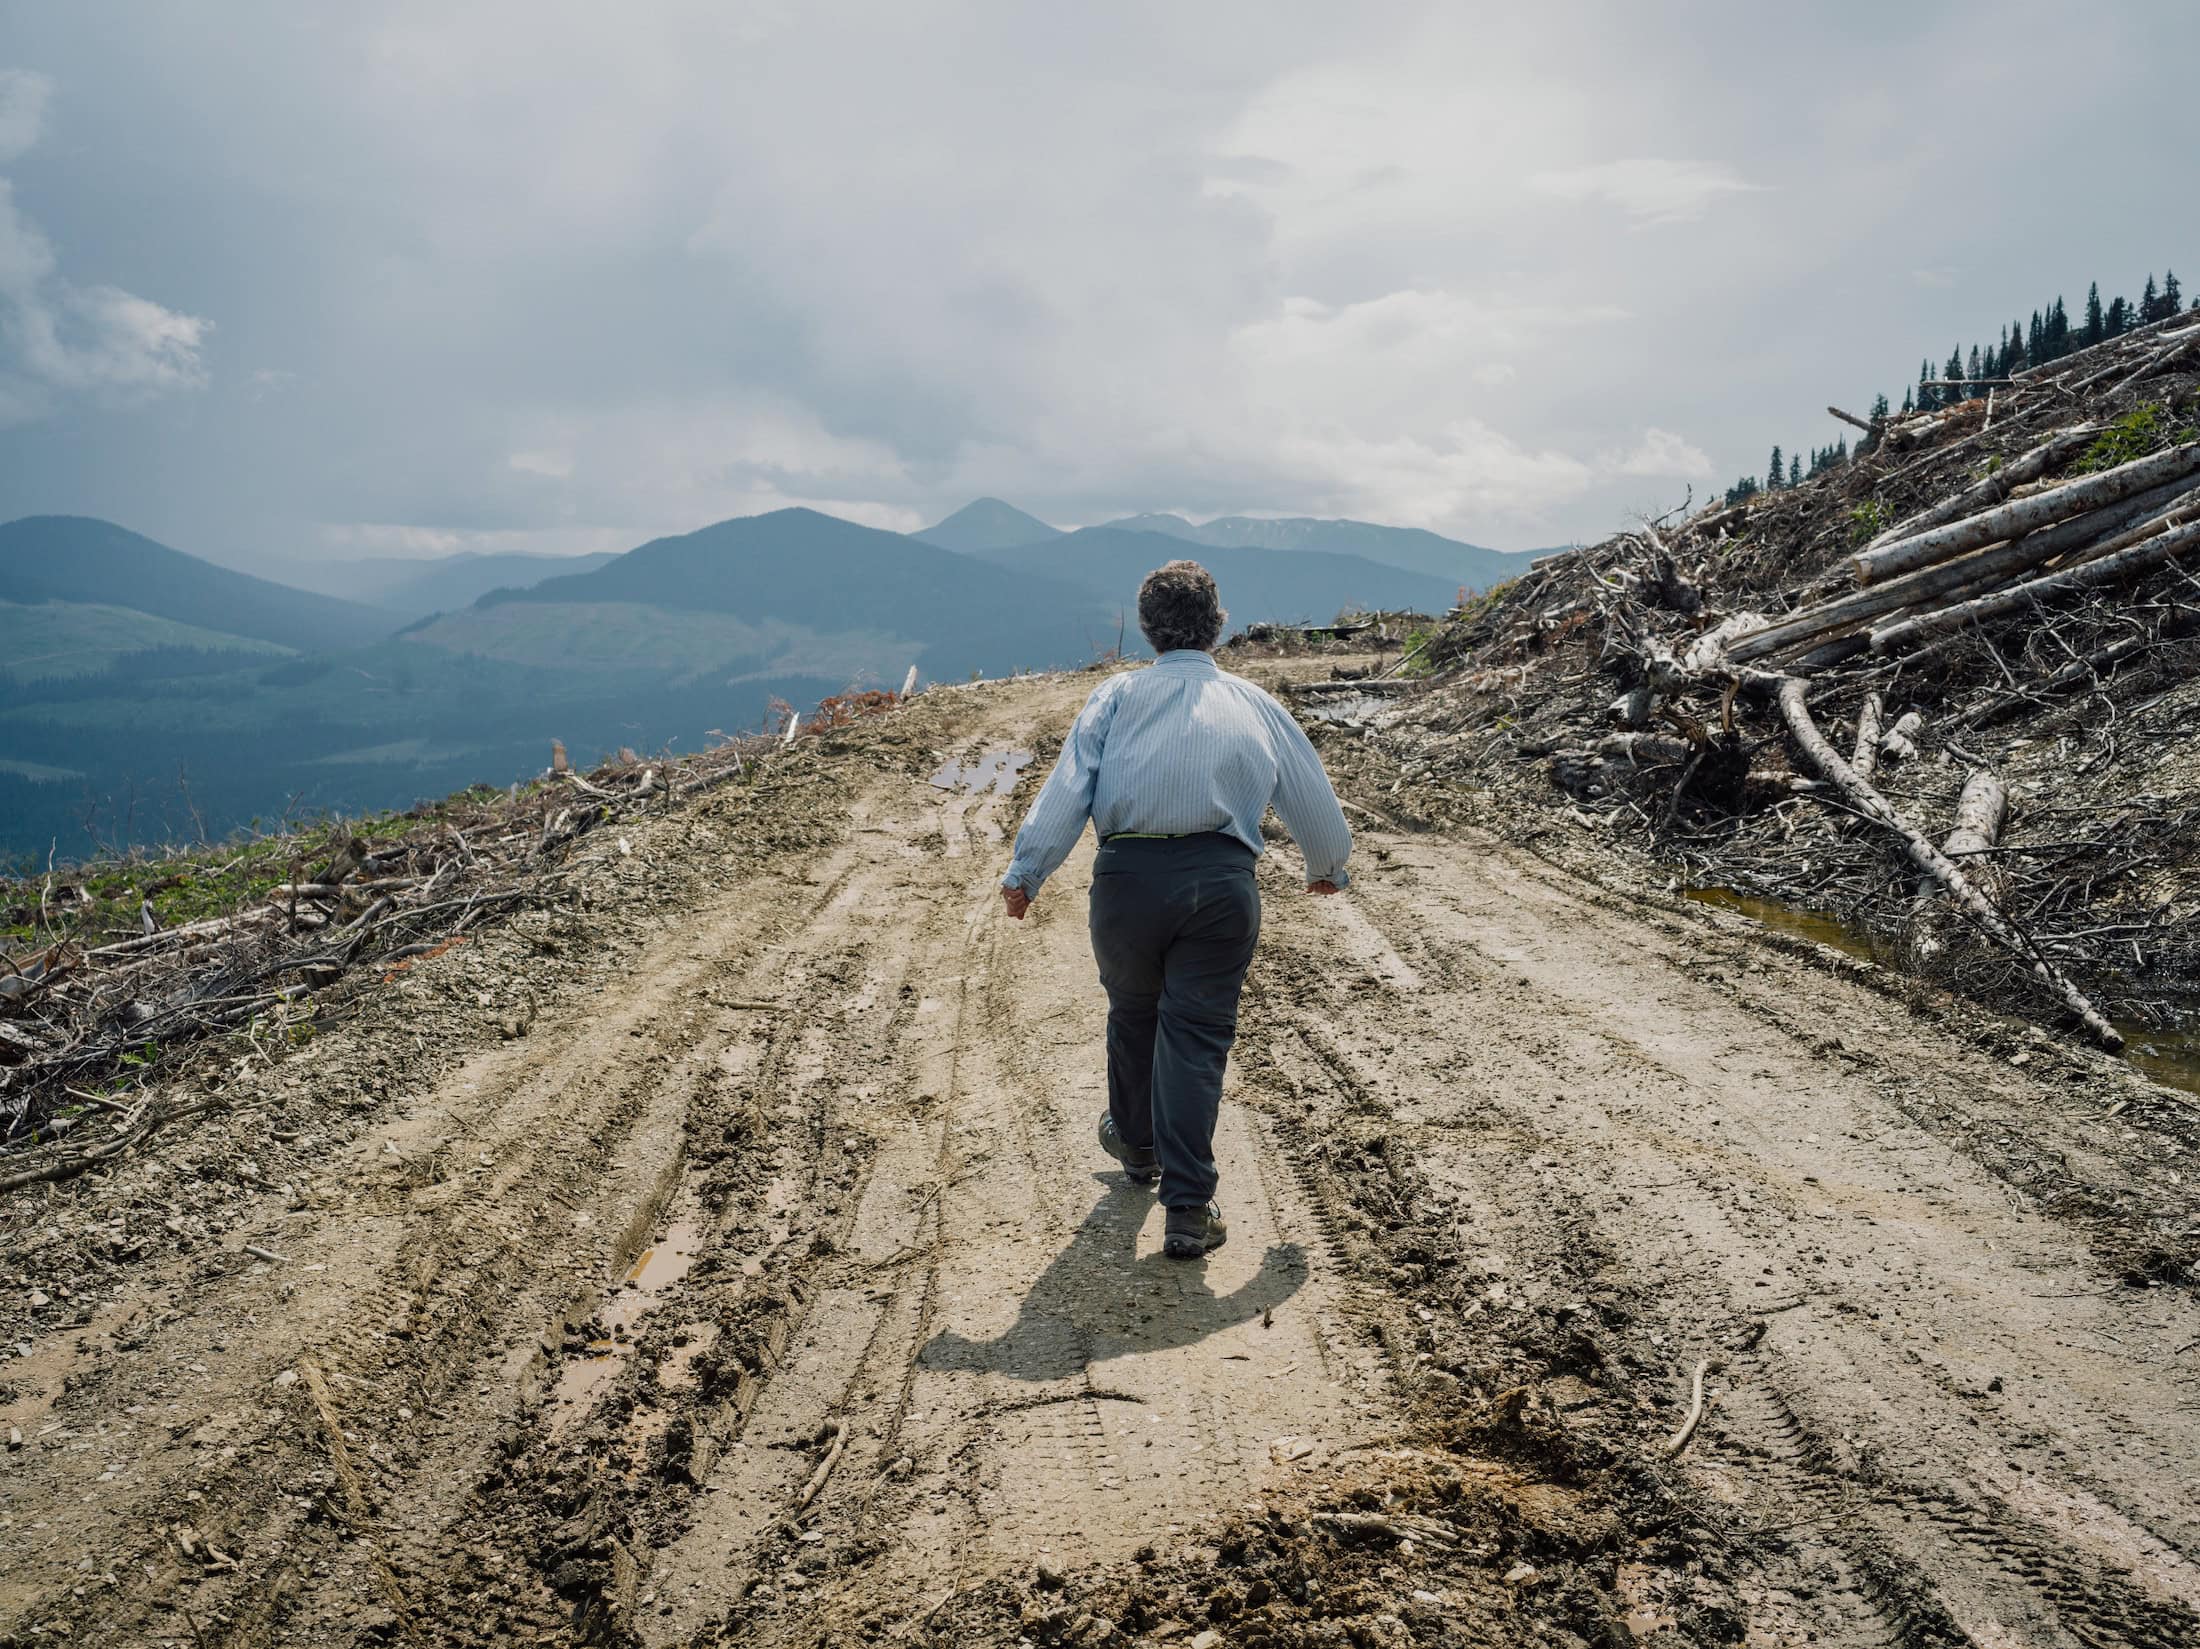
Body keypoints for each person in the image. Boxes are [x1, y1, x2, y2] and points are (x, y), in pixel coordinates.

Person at [999, 560, 1353, 1260]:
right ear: (1216, 624)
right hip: (1219, 887)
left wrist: (1027, 871)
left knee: (1133, 1012)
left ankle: (1136, 1146)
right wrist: (1327, 866)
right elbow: (1310, 795)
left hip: (1127, 881)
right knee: (1194, 1036)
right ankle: (1188, 1208)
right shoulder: (1253, 702)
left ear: (1148, 629)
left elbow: (1069, 786)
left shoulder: (1114, 697)